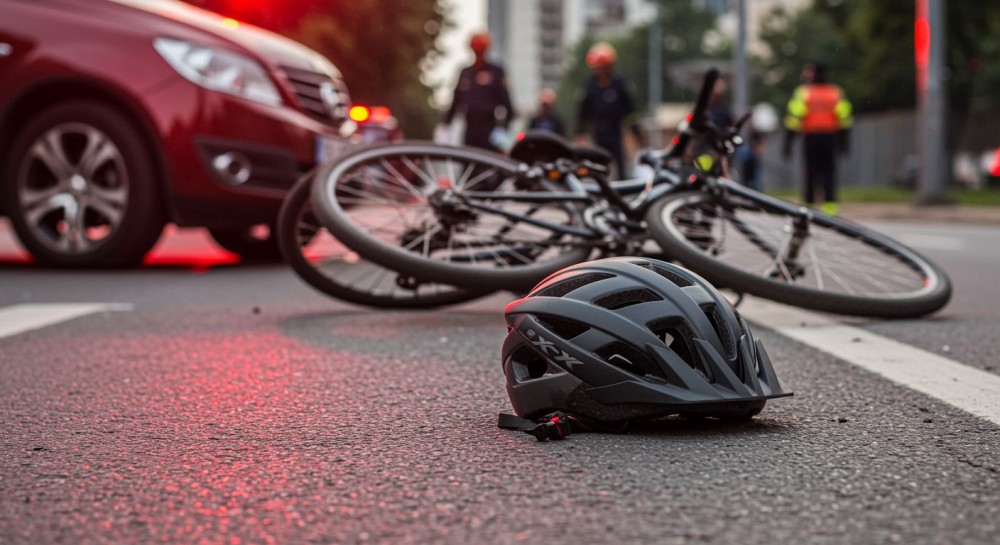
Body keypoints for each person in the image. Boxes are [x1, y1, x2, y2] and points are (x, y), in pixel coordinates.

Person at [782, 62, 854, 216]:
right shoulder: (835, 93)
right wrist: (844, 142)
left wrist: (788, 143)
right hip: (830, 137)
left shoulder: (803, 93)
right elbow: (844, 119)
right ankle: (830, 208)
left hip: (811, 138)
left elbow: (794, 119)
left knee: (810, 172)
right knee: (829, 172)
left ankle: (808, 207)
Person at [575, 42, 642, 178]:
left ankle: (623, 191)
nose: (600, 71)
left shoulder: (620, 86)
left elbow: (630, 112)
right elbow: (582, 113)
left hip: (616, 132)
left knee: (621, 166)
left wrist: (636, 132)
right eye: (598, 67)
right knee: (598, 167)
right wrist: (580, 133)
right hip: (598, 133)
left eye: (603, 67)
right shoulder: (590, 87)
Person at [440, 31, 514, 152]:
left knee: (490, 166)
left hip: (490, 129)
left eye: (481, 50)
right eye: (477, 50)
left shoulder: (496, 72)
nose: (479, 54)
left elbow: (508, 106)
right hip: (470, 129)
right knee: (469, 164)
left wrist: (502, 130)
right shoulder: (466, 73)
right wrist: (445, 127)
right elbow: (455, 103)